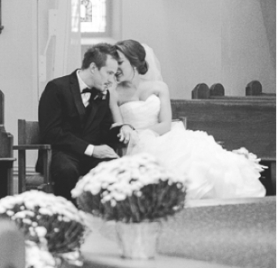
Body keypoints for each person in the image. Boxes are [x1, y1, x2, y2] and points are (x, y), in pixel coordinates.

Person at [111, 39, 266, 200]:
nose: (116, 68)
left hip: (163, 137)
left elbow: (165, 124)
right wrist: (133, 134)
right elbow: (120, 128)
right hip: (134, 144)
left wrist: (142, 133)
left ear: (134, 62)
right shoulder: (114, 93)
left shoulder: (159, 87)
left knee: (198, 161)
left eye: (120, 62)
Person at [38, 43, 124, 202]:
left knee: (114, 168)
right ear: (93, 67)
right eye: (109, 73)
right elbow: (52, 133)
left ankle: (101, 221)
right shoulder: (56, 88)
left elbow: (104, 131)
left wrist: (123, 130)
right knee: (67, 171)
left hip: (90, 157)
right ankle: (68, 220)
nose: (112, 80)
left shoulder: (103, 94)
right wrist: (91, 149)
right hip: (60, 154)